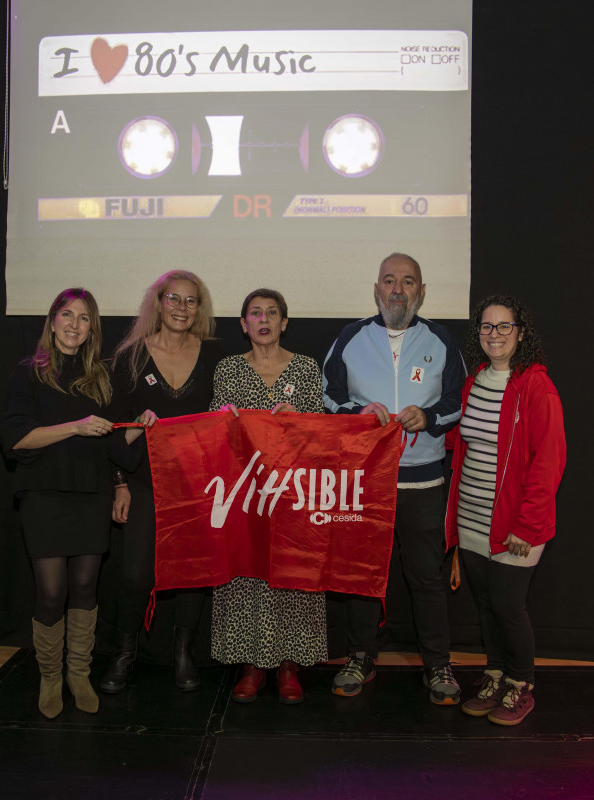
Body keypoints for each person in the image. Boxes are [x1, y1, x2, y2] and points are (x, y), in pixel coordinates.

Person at [322, 252, 467, 705]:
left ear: (421, 292)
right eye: (389, 281)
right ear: (376, 289)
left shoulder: (441, 340)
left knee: (426, 578)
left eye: (408, 282)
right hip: (367, 479)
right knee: (363, 577)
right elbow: (329, 396)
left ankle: (437, 664)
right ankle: (360, 657)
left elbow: (458, 401)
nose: (398, 290)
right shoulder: (351, 337)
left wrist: (429, 416)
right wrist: (357, 414)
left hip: (423, 483)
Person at [0, 288, 151, 718]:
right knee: (51, 592)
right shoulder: (29, 373)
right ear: (51, 321)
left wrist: (139, 429)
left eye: (84, 318)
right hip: (44, 495)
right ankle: (50, 676)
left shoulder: (102, 378)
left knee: (85, 587)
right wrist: (75, 427)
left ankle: (78, 674)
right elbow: (15, 440)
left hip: (91, 494)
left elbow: (117, 449)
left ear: (92, 329)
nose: (74, 324)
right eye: (66, 315)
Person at [101, 270, 226, 693]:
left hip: (197, 486)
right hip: (143, 482)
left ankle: (183, 651)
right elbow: (115, 430)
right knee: (136, 575)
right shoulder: (131, 356)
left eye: (191, 301)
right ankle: (124, 653)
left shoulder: (215, 357)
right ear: (158, 302)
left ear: (199, 309)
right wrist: (119, 482)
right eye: (175, 299)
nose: (182, 308)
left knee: (191, 573)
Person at [446, 294, 566, 726]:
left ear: (520, 332)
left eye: (504, 326)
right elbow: (464, 442)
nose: (494, 335)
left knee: (509, 608)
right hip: (473, 516)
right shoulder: (475, 378)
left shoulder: (536, 386)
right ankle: (495, 675)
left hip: (517, 522)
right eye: (487, 327)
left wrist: (528, 525)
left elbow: (549, 461)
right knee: (487, 607)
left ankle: (521, 685)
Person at [209, 289, 327, 704]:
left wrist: (301, 422)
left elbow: (322, 433)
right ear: (243, 325)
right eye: (255, 313)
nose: (264, 319)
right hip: (245, 496)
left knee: (292, 574)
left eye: (272, 313)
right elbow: (213, 431)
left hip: (293, 495)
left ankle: (290, 665)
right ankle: (251, 664)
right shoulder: (227, 370)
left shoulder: (307, 369)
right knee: (247, 572)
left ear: (284, 322)